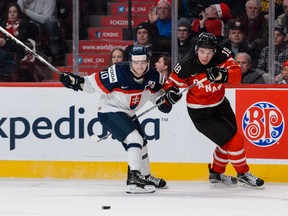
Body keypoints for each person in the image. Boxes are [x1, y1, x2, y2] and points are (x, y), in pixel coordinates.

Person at [157, 32, 265, 188]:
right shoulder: (187, 65)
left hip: (221, 104)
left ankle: (216, 173)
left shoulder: (222, 55)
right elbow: (170, 84)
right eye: (201, 51)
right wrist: (170, 95)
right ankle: (242, 174)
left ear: (215, 51)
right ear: (196, 49)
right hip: (201, 113)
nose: (205, 56)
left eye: (209, 52)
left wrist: (223, 75)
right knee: (235, 141)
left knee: (226, 143)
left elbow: (236, 75)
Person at [59, 46, 167, 194]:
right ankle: (133, 178)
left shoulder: (155, 76)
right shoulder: (117, 71)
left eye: (142, 62)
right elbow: (91, 84)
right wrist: (74, 81)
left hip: (127, 112)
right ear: (130, 62)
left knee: (142, 144)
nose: (139, 66)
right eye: (136, 62)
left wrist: (165, 101)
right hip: (109, 111)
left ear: (148, 61)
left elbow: (157, 95)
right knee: (134, 139)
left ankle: (145, 176)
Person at [0, 2, 29, 81]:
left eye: (14, 12)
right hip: (4, 50)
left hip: (17, 50)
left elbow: (19, 39)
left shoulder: (23, 24)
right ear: (7, 14)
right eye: (10, 12)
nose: (12, 14)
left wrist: (5, 40)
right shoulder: (3, 24)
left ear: (18, 14)